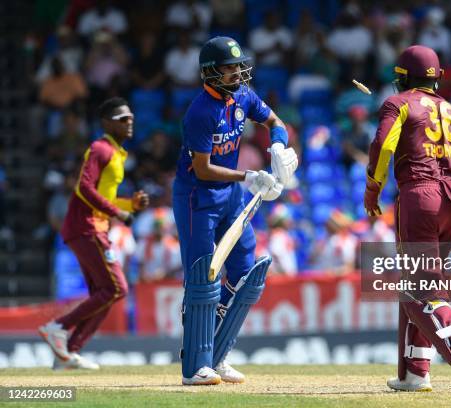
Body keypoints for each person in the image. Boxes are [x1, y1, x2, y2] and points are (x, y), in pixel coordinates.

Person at [173, 36, 298, 385]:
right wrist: (250, 175)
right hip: (197, 197)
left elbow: (276, 122)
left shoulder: (243, 95)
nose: (238, 73)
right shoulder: (200, 111)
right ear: (210, 73)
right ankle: (195, 363)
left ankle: (217, 350)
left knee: (245, 274)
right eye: (229, 69)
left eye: (238, 66)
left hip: (230, 195)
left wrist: (276, 146)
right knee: (203, 276)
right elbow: (202, 169)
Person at [364, 45, 451, 392]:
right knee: (422, 284)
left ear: (402, 78)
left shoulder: (398, 103)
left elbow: (383, 144)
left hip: (420, 196)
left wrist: (373, 187)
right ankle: (415, 372)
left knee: (417, 288)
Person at [38, 97, 149, 370]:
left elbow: (103, 195)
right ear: (106, 123)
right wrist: (119, 213)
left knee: (104, 293)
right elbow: (83, 189)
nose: (130, 122)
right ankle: (58, 327)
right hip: (87, 227)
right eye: (123, 119)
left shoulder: (117, 153)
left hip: (89, 227)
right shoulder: (100, 149)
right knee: (116, 288)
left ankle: (67, 353)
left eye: (131, 117)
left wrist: (129, 205)